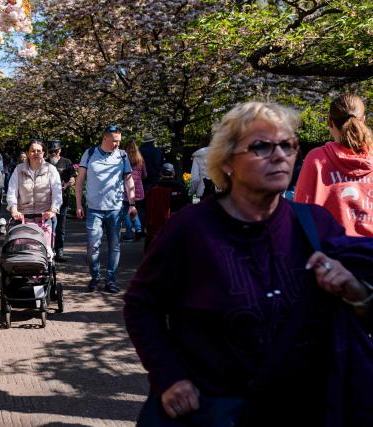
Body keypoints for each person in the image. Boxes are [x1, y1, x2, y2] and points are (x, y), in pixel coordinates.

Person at [124, 101, 373, 427]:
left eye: (288, 145)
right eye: (261, 146)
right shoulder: (190, 229)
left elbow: (363, 310)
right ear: (227, 161)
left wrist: (356, 292)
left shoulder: (316, 225)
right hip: (214, 410)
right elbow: (142, 306)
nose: (280, 155)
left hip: (301, 409)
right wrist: (169, 376)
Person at [294, 93, 373, 237]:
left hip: (332, 253)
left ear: (329, 122)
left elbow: (301, 210)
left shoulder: (316, 159)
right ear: (364, 120)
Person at [75, 124, 137, 293]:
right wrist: (79, 204)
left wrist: (132, 203)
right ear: (105, 138)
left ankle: (111, 280)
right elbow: (80, 182)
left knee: (115, 245)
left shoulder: (122, 156)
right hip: (94, 209)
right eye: (115, 141)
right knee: (92, 246)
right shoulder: (89, 154)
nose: (117, 144)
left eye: (119, 141)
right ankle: (95, 277)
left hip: (115, 209)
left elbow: (129, 181)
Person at [6, 139, 62, 254]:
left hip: (44, 216)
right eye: (32, 151)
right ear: (27, 153)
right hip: (22, 216)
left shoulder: (51, 170)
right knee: (22, 251)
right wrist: (13, 209)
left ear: (43, 153)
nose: (36, 153)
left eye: (39, 151)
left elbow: (57, 192)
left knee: (45, 250)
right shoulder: (19, 170)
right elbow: (11, 192)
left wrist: (53, 210)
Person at [142, 162, 190, 249]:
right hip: (175, 223)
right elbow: (187, 205)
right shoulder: (180, 187)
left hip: (155, 225)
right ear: (173, 173)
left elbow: (145, 205)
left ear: (160, 173)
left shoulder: (154, 187)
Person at [46, 139, 77, 261]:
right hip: (46, 200)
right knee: (47, 226)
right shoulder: (45, 162)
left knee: (60, 227)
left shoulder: (66, 162)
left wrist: (68, 184)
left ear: (60, 150)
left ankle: (59, 251)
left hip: (62, 199)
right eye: (52, 151)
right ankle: (49, 250)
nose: (54, 153)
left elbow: (73, 178)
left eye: (56, 151)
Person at [121, 139, 147, 242]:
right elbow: (145, 174)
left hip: (127, 190)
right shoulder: (140, 160)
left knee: (126, 213)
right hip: (139, 190)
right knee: (135, 211)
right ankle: (139, 229)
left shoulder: (124, 160)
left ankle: (129, 234)